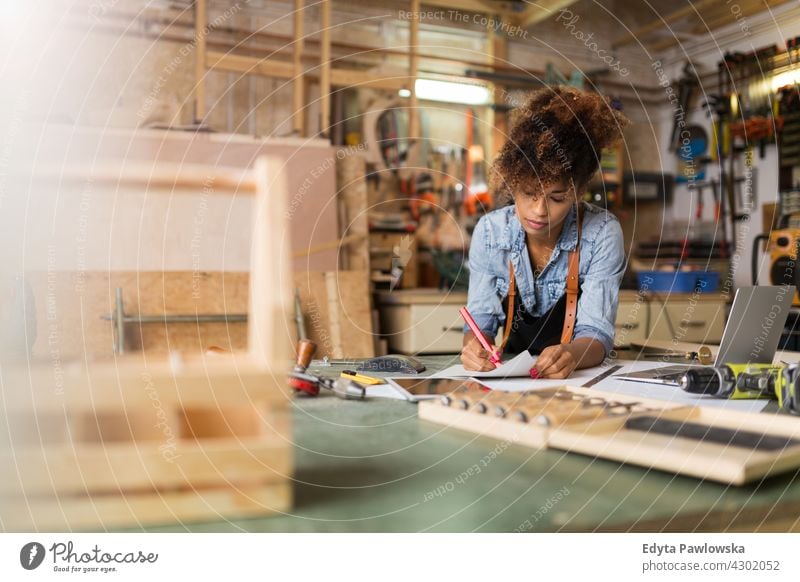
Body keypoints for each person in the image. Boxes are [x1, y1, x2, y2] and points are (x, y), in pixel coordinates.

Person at [460, 86, 629, 378]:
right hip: (508, 381)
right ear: (512, 185)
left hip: (574, 382)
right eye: (528, 193)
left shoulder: (601, 233)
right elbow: (480, 322)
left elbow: (597, 333)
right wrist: (473, 347)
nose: (539, 211)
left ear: (578, 192)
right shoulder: (490, 232)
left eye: (557, 197)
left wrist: (571, 356)